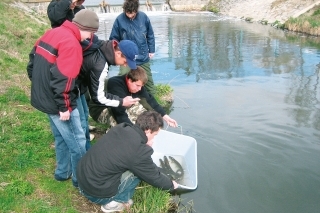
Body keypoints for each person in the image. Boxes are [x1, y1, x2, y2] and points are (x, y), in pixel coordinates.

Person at [26, 9, 99, 188]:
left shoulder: (53, 32)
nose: (90, 37)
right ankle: (80, 180)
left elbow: (32, 61)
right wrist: (64, 106)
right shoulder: (72, 44)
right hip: (58, 102)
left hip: (43, 96)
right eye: (91, 33)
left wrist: (38, 85)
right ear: (85, 28)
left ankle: (62, 172)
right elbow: (64, 78)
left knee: (60, 137)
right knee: (78, 141)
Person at [76, 111, 179, 213]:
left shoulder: (122, 128)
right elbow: (153, 176)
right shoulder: (138, 150)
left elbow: (135, 155)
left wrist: (145, 143)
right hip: (95, 194)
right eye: (155, 135)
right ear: (147, 131)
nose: (154, 138)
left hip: (81, 180)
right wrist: (170, 185)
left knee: (134, 165)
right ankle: (114, 203)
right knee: (137, 173)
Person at [47, 0, 96, 149]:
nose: (79, 3)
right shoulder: (58, 7)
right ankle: (82, 150)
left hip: (79, 72)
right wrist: (69, 3)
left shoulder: (80, 10)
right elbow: (55, 17)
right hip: (69, 66)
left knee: (83, 113)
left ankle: (85, 146)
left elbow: (88, 35)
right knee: (76, 119)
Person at [79, 39, 141, 128]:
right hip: (67, 88)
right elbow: (99, 97)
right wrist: (122, 101)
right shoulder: (101, 65)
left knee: (83, 114)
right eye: (125, 62)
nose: (124, 65)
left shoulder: (104, 46)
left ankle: (84, 131)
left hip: (78, 85)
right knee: (76, 125)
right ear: (118, 53)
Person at [89, 67, 178, 128]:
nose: (139, 89)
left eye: (141, 86)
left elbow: (150, 100)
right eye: (137, 85)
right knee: (123, 124)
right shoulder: (115, 84)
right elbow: (118, 112)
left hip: (123, 105)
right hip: (102, 109)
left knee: (148, 117)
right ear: (129, 80)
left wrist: (166, 117)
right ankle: (117, 139)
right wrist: (132, 129)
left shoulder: (138, 85)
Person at [109, 0, 156, 95]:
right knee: (123, 78)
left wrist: (151, 50)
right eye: (128, 13)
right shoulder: (119, 19)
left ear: (136, 10)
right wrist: (116, 54)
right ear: (124, 10)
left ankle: (153, 100)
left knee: (148, 82)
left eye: (132, 13)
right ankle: (123, 100)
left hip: (142, 56)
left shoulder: (144, 17)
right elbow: (113, 39)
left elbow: (150, 34)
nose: (130, 15)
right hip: (126, 58)